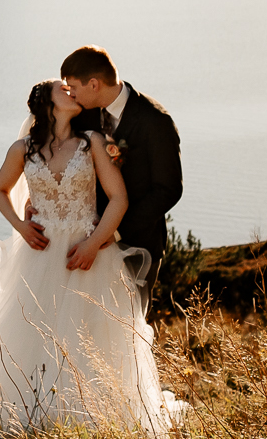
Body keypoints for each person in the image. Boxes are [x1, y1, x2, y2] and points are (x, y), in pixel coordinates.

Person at [0, 78, 185, 436]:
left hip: (86, 252)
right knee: (29, 333)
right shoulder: (22, 149)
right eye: (63, 89)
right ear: (46, 102)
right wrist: (20, 225)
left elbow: (118, 198)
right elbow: (0, 190)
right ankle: (28, 415)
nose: (72, 91)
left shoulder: (94, 143)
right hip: (38, 255)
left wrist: (95, 243)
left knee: (89, 336)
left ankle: (92, 419)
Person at [62, 46, 181, 317]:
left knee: (129, 326)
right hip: (86, 238)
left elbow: (168, 189)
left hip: (137, 242)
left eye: (73, 87)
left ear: (94, 84)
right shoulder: (83, 114)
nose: (71, 94)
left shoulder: (155, 121)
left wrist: (113, 232)